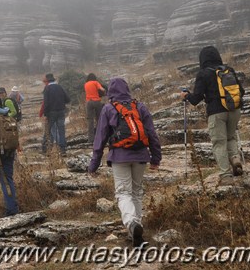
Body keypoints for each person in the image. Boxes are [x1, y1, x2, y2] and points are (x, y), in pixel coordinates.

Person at [88, 77, 162, 247]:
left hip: (119, 157)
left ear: (110, 93)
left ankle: (131, 224)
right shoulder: (140, 106)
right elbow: (152, 134)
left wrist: (93, 165)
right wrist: (155, 158)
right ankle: (136, 229)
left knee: (123, 193)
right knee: (136, 192)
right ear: (127, 89)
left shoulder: (108, 108)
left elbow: (99, 139)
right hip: (141, 156)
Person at [181, 46, 245, 184]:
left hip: (216, 113)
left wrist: (186, 96)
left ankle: (226, 175)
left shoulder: (203, 73)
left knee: (219, 143)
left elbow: (196, 99)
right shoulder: (228, 70)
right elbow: (242, 91)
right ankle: (235, 159)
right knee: (231, 137)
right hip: (234, 110)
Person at [41, 73, 70, 155]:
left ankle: (45, 149)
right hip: (61, 111)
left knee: (48, 130)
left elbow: (46, 103)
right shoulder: (59, 87)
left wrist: (45, 115)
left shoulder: (47, 88)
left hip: (51, 113)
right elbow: (68, 99)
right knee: (61, 131)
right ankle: (63, 150)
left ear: (47, 80)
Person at [84, 73, 106, 144]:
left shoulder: (86, 84)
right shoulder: (95, 82)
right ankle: (100, 136)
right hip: (96, 101)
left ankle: (90, 139)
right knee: (99, 119)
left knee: (90, 121)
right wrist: (104, 92)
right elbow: (102, 89)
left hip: (88, 103)